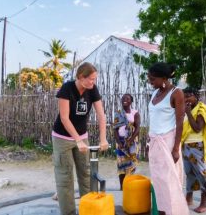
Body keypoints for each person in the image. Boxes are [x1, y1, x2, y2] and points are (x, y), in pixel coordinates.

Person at [52, 62, 109, 215]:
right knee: (65, 178)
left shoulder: (92, 90)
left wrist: (103, 139)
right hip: (62, 138)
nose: (93, 82)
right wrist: (77, 140)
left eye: (95, 79)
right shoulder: (67, 88)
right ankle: (68, 212)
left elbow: (101, 115)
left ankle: (88, 210)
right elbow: (64, 118)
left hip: (82, 136)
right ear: (80, 77)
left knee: (86, 174)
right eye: (91, 79)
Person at [147, 62, 189, 215]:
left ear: (164, 78)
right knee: (158, 182)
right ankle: (162, 211)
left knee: (170, 182)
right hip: (155, 142)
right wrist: (149, 140)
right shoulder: (155, 93)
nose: (149, 81)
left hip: (168, 143)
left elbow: (179, 123)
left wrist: (176, 148)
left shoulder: (176, 93)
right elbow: (154, 118)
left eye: (152, 79)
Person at [181, 87, 206, 213]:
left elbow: (197, 128)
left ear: (196, 96)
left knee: (202, 174)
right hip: (186, 145)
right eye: (184, 97)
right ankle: (189, 198)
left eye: (189, 96)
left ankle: (204, 203)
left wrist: (188, 113)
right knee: (189, 173)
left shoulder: (201, 110)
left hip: (197, 146)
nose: (186, 99)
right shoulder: (188, 110)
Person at [113, 93, 140, 190]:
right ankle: (122, 187)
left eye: (127, 98)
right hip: (120, 141)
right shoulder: (118, 113)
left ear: (131, 101)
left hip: (132, 142)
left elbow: (137, 128)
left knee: (131, 165)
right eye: (123, 98)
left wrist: (131, 140)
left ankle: (129, 186)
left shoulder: (135, 113)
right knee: (121, 165)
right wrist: (119, 143)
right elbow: (115, 129)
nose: (125, 100)